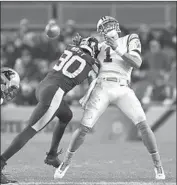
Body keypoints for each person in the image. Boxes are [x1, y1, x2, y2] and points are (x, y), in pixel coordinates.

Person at [54, 16, 165, 180]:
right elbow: (80, 57)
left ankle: (158, 165)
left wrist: (118, 49)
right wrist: (75, 46)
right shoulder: (98, 46)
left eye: (110, 24)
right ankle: (66, 162)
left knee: (143, 124)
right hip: (102, 87)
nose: (109, 28)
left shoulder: (130, 39)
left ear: (117, 26)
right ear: (101, 32)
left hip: (122, 87)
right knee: (84, 127)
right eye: (105, 27)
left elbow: (137, 62)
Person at [0, 37, 99, 184]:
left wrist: (76, 43)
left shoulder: (70, 48)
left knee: (66, 115)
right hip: (54, 92)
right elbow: (93, 83)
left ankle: (52, 155)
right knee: (29, 131)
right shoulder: (92, 63)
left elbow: (74, 46)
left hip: (42, 87)